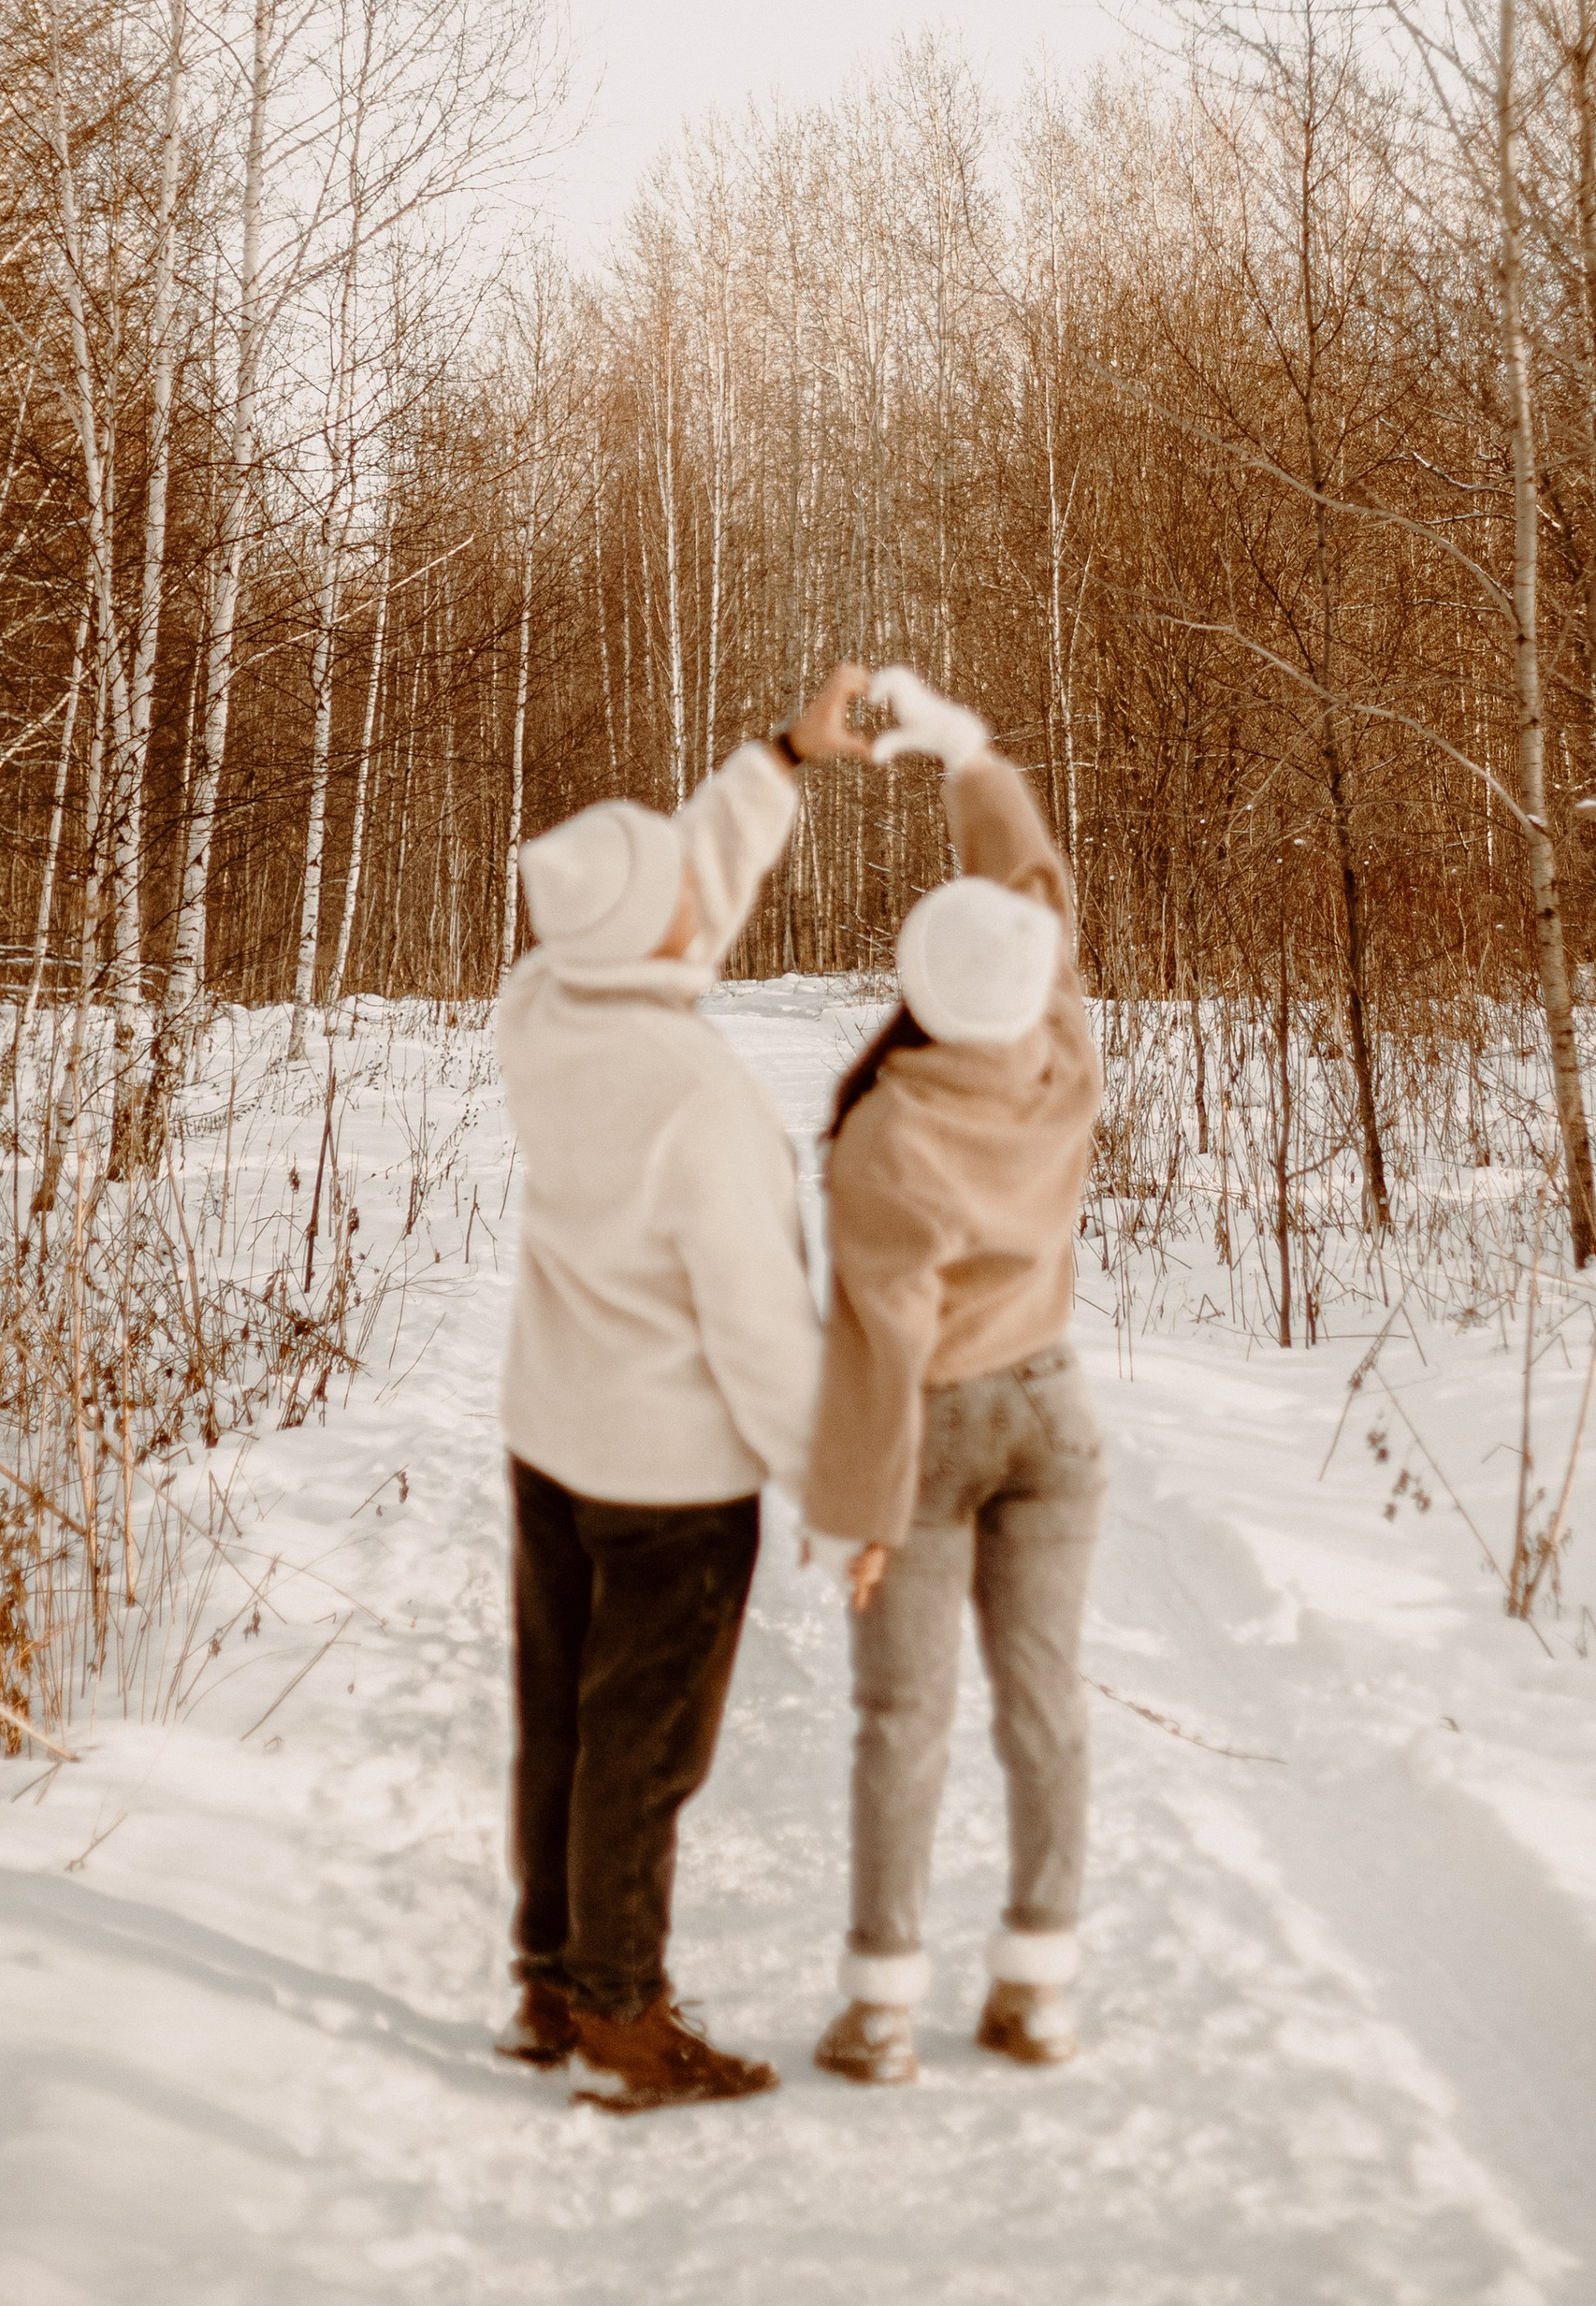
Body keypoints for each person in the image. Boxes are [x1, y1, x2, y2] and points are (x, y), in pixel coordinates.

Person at [492, 661, 874, 2116]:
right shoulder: (700, 1103)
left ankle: (549, 1969)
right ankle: (621, 2016)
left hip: (553, 1441)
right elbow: (767, 1339)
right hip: (670, 1481)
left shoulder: (545, 998)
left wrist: (784, 755)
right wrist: (840, 1494)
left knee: (562, 1720)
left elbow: (672, 895)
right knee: (643, 1750)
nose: (695, 900)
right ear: (651, 924)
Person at [803, 664, 1106, 2090]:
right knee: (1043, 1706)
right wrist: (971, 753)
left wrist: (855, 1511)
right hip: (1053, 1415)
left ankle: (880, 2010)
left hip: (929, 1434)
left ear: (913, 984)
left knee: (902, 1718)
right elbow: (1034, 884)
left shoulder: (888, 1130)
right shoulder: (1064, 1055)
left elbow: (884, 1341)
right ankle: (1037, 1989)